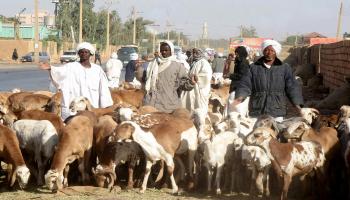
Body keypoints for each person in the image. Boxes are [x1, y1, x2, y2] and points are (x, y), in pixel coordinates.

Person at [231, 39, 303, 121]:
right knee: (257, 133)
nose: (269, 53)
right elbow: (245, 84)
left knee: (275, 132)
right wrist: (240, 97)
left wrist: (297, 105)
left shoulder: (284, 68)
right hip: (257, 110)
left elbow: (292, 87)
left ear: (276, 52)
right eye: (266, 50)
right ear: (263, 51)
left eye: (272, 50)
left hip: (276, 110)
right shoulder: (253, 68)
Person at [38, 42, 113, 120]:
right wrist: (50, 68)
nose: (84, 54)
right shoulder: (71, 66)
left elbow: (104, 88)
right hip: (73, 107)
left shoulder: (97, 70)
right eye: (81, 52)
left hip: (91, 105)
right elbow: (60, 72)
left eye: (86, 52)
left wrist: (106, 104)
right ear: (79, 54)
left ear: (90, 54)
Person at [143, 40, 189, 113]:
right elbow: (145, 80)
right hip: (151, 105)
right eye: (162, 50)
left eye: (166, 50)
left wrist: (191, 83)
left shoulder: (178, 66)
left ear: (171, 51)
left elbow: (184, 85)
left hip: (169, 106)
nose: (164, 52)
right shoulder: (152, 64)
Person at [181, 48, 213, 114]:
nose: (195, 54)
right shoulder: (194, 62)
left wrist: (197, 78)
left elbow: (207, 75)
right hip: (192, 85)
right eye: (194, 53)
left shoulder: (204, 62)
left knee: (199, 105)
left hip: (200, 88)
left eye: (196, 53)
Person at [225, 46, 250, 117]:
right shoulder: (239, 61)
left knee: (238, 108)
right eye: (236, 54)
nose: (236, 55)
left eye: (237, 53)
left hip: (239, 88)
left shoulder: (243, 62)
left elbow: (241, 75)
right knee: (232, 107)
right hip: (236, 87)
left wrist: (230, 76)